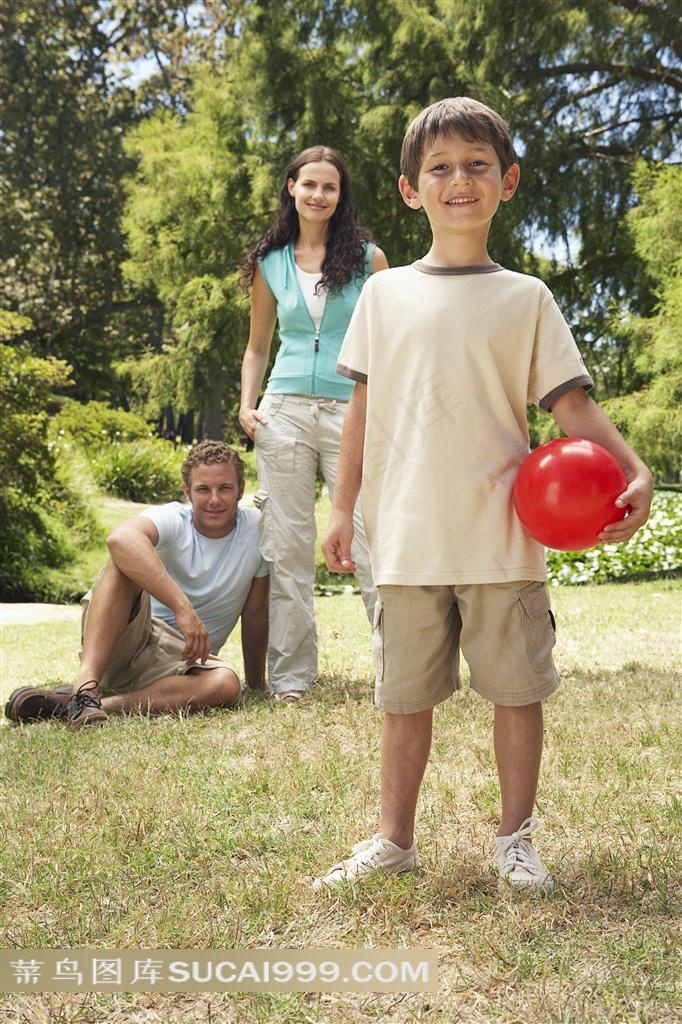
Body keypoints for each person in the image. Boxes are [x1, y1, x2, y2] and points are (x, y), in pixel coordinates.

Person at [315, 97, 653, 891]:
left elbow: (571, 405)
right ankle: (393, 840)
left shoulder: (526, 298)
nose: (458, 180)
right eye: (439, 168)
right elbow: (359, 413)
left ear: (508, 182)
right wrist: (340, 507)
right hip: (404, 534)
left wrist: (632, 468)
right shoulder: (384, 294)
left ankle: (515, 840)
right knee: (404, 699)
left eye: (476, 165)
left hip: (505, 537)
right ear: (410, 189)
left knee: (516, 690)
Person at [239, 145, 388, 704]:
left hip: (354, 410)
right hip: (285, 411)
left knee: (372, 540)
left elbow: (389, 344)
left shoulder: (370, 260)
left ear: (340, 195)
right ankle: (292, 679)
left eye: (331, 187)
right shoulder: (270, 263)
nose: (320, 195)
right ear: (292, 188)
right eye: (310, 185)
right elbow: (258, 345)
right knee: (288, 546)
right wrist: (246, 403)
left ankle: (396, 673)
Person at [5, 441, 269, 730]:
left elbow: (255, 615)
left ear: (241, 489)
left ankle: (86, 705)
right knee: (123, 562)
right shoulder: (173, 519)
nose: (214, 499)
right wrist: (182, 608)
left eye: (225, 489)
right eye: (203, 489)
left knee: (226, 683)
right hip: (130, 636)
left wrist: (256, 684)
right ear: (187, 491)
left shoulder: (257, 531)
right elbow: (120, 539)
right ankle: (85, 687)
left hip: (184, 663)